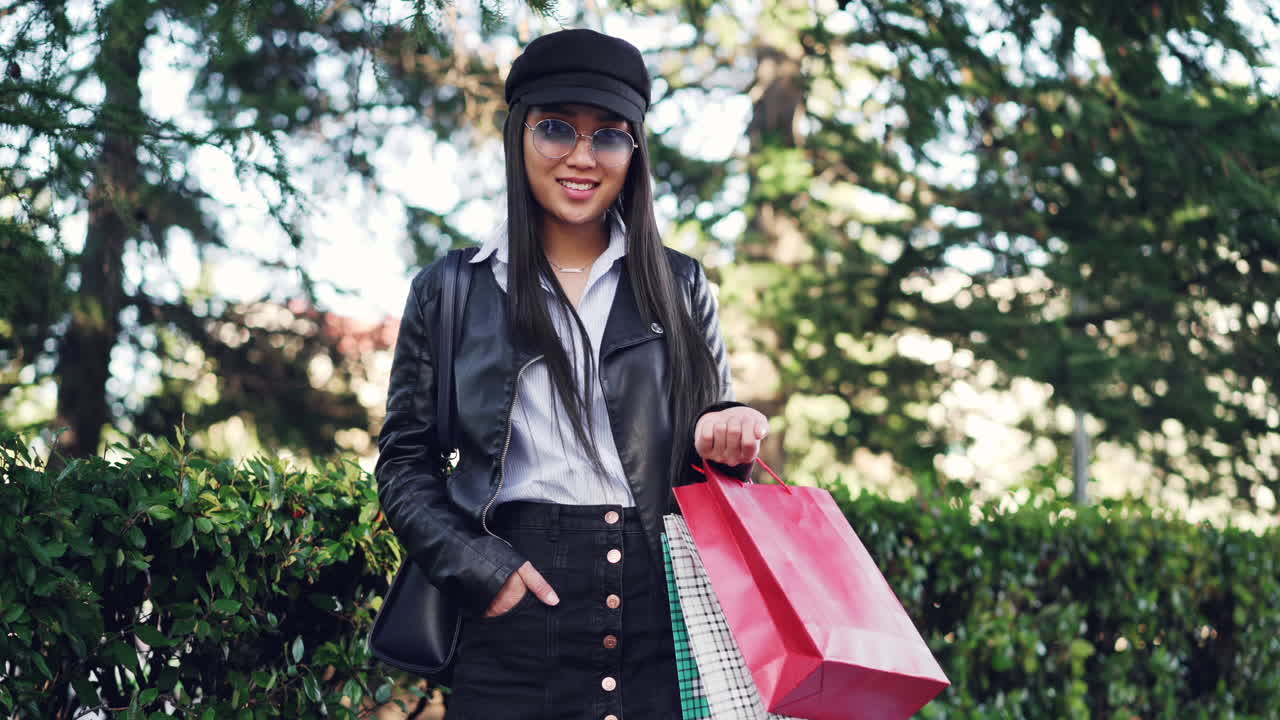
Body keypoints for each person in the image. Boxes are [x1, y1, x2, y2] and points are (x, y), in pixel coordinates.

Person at [376, 27, 768, 719]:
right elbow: (405, 463)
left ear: (634, 150)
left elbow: (706, 465)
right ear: (517, 134)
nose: (582, 157)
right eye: (556, 129)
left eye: (609, 135)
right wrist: (481, 569)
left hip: (657, 606)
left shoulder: (679, 285)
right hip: (513, 607)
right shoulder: (452, 289)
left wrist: (731, 430)